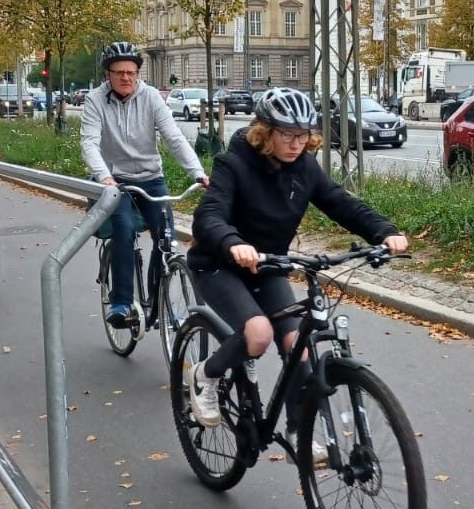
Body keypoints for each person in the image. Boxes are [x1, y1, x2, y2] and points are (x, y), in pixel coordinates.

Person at [185, 87, 408, 435]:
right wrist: (233, 243)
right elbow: (209, 215)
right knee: (257, 334)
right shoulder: (234, 164)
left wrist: (383, 231)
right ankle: (206, 375)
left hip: (269, 265)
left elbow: (340, 202)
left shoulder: (305, 168)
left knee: (297, 345)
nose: (295, 143)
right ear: (265, 133)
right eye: (286, 134)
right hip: (219, 264)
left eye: (302, 135)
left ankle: (298, 432)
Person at [79, 42, 208, 327]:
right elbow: (89, 142)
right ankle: (122, 303)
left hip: (151, 178)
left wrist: (197, 173)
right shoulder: (95, 100)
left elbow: (174, 138)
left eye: (132, 72)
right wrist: (103, 176)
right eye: (120, 72)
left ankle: (155, 298)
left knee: (166, 236)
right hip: (116, 180)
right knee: (124, 228)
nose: (127, 78)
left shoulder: (151, 97)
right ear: (107, 75)